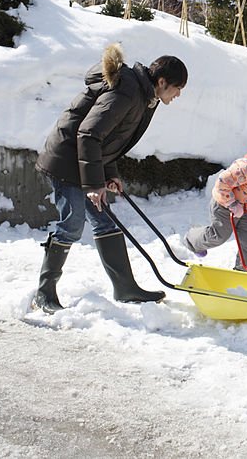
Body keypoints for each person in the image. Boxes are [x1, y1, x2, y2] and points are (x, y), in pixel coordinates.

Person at [31, 43, 187, 314]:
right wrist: (93, 184)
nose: (177, 95)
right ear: (162, 81)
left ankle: (125, 288)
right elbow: (89, 134)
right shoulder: (128, 91)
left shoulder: (143, 96)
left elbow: (110, 139)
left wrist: (109, 175)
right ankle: (43, 293)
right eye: (177, 88)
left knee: (104, 220)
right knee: (71, 225)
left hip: (84, 160)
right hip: (67, 160)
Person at [184, 132, 247, 270]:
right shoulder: (245, 168)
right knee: (219, 235)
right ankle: (192, 240)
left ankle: (242, 274)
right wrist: (232, 204)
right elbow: (221, 183)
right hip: (224, 205)